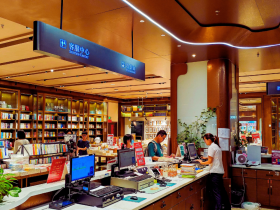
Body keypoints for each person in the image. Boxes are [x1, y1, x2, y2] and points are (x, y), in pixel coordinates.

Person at [197, 133, 231, 210]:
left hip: (215, 173)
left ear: (209, 140)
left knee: (217, 193)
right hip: (219, 172)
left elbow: (210, 161)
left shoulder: (211, 147)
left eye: (205, 140)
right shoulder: (216, 146)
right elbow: (214, 158)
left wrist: (201, 162)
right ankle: (227, 207)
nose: (205, 142)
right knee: (221, 191)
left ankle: (218, 208)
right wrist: (205, 158)